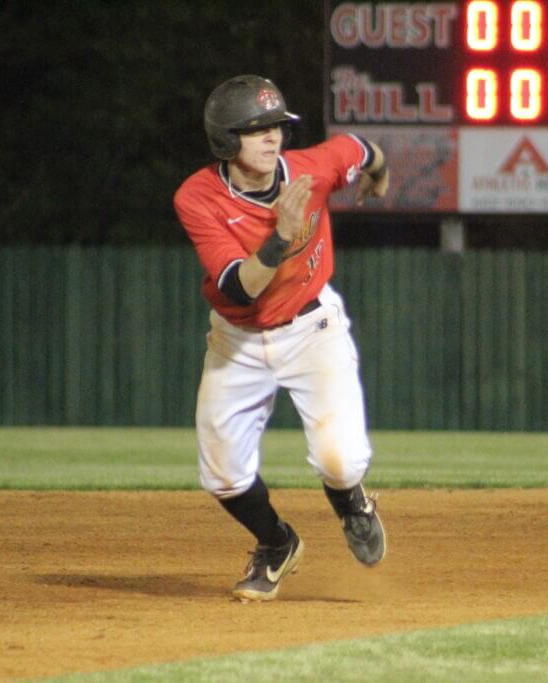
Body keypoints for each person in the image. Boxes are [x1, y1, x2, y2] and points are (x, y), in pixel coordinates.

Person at [173, 74, 390, 602]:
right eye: (255, 129)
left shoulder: (312, 169)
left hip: (312, 328)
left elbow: (360, 149)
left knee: (340, 460)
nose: (272, 137)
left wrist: (377, 174)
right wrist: (282, 239)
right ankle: (276, 543)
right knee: (222, 475)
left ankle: (352, 504)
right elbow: (239, 288)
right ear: (226, 141)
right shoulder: (197, 197)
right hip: (238, 341)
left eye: (277, 126)